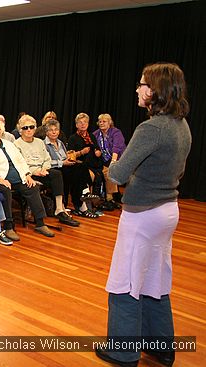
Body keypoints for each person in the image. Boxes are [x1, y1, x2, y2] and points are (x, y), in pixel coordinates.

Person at [95, 63, 192, 367]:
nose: (137, 89)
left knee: (125, 281)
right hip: (167, 211)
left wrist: (110, 166)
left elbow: (120, 174)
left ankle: (123, 352)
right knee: (154, 280)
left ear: (154, 90)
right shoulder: (181, 124)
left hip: (143, 216)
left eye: (141, 84)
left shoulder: (150, 128)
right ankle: (161, 348)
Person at [0, 116, 55, 240]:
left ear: (2, 131)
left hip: (17, 178)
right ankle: (8, 226)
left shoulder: (9, 144)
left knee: (33, 187)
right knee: (5, 190)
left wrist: (27, 175)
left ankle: (40, 223)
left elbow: (20, 161)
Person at [14, 115, 80, 227]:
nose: (29, 130)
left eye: (31, 127)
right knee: (57, 174)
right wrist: (36, 172)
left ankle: (59, 209)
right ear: (20, 130)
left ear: (35, 128)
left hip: (43, 171)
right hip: (29, 174)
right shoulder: (16, 144)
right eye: (25, 128)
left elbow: (47, 159)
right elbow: (20, 164)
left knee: (57, 174)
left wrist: (44, 168)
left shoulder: (39, 142)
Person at [44, 119, 98, 218]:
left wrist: (69, 160)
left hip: (65, 167)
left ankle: (84, 195)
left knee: (80, 166)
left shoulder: (60, 143)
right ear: (47, 132)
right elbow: (46, 162)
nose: (54, 132)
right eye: (51, 130)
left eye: (56, 129)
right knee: (76, 173)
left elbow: (65, 156)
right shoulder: (44, 145)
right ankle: (82, 205)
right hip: (55, 169)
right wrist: (62, 162)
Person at [93, 113, 127, 209]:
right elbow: (93, 146)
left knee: (109, 171)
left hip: (118, 158)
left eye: (104, 121)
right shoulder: (96, 134)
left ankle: (110, 197)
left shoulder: (116, 132)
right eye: (100, 121)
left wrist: (113, 162)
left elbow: (117, 148)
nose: (102, 123)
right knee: (104, 171)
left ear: (109, 123)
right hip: (103, 160)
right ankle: (111, 197)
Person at [68, 113, 105, 200]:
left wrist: (98, 151)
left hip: (94, 164)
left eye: (85, 122)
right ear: (76, 125)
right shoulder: (73, 138)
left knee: (103, 173)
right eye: (80, 122)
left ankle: (105, 199)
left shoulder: (91, 136)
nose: (83, 124)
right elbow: (70, 155)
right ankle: (88, 200)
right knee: (90, 175)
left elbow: (97, 148)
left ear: (88, 124)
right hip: (81, 165)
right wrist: (81, 152)